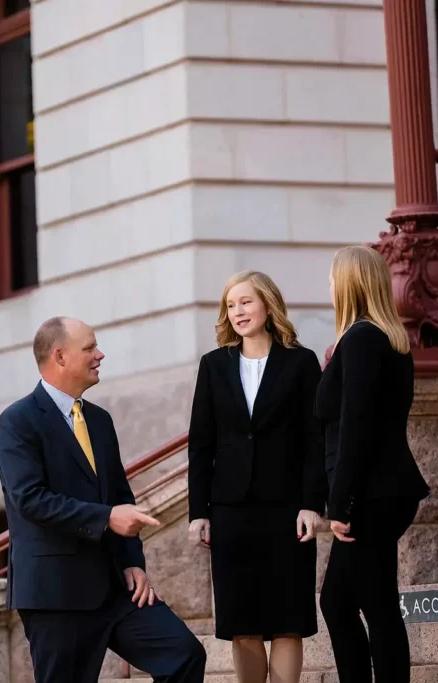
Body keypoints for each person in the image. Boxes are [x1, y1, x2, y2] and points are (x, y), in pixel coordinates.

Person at [0, 316, 207, 683]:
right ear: (59, 356)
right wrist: (107, 518)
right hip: (55, 594)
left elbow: (120, 496)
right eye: (89, 348)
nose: (100, 354)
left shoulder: (100, 420)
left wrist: (133, 561)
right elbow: (29, 500)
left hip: (114, 588)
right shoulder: (17, 422)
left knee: (183, 653)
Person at [187, 270, 326, 683]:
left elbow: (315, 441)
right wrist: (199, 512)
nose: (237, 312)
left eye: (245, 302)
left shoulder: (301, 362)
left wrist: (312, 504)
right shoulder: (213, 366)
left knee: (288, 621)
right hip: (230, 512)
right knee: (242, 622)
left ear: (267, 303)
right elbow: (200, 444)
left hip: (287, 512)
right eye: (231, 305)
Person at [317, 245, 430, 682]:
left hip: (370, 495)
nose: (328, 287)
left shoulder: (363, 339)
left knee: (368, 604)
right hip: (382, 491)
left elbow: (356, 427)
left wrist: (340, 505)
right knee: (350, 602)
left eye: (331, 278)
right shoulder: (386, 338)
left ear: (348, 284)